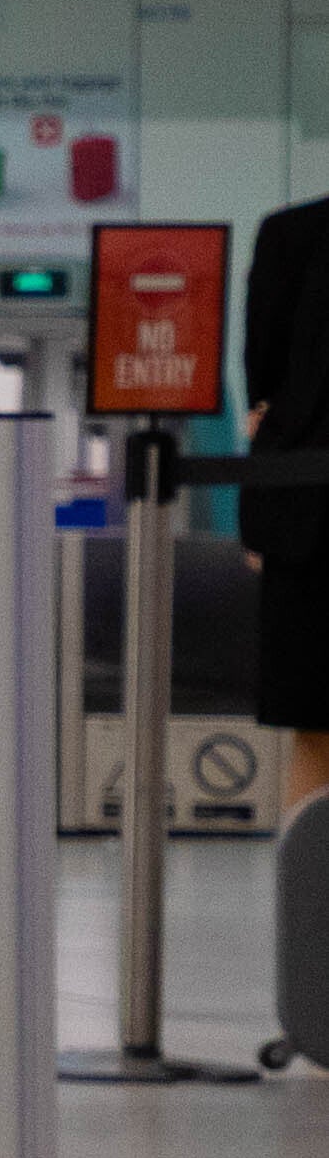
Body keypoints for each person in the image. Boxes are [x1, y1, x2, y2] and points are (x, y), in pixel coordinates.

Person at [248, 194, 327, 814]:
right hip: (310, 524)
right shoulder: (292, 235)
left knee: (317, 730)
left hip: (307, 520)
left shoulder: (295, 235)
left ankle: (308, 902)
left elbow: (267, 398)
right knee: (316, 725)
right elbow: (266, 400)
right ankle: (309, 901)